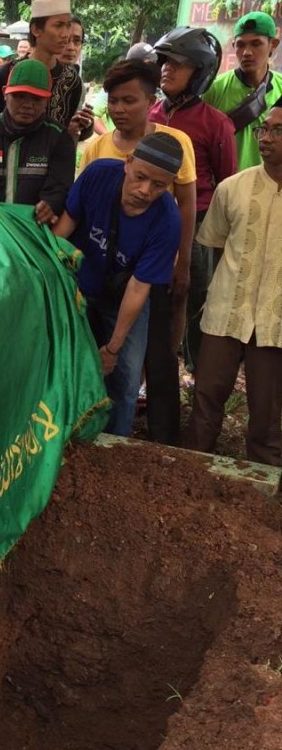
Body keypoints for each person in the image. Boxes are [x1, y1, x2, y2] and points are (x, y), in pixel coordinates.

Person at [79, 58, 197, 446]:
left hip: (141, 275)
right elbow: (73, 222)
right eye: (113, 101)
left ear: (151, 101)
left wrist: (182, 263)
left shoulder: (173, 147)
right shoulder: (97, 155)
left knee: (129, 368)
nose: (119, 109)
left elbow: (185, 204)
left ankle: (118, 443)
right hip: (91, 276)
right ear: (127, 166)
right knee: (80, 358)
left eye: (129, 100)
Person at [53, 133, 183, 436]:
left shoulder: (168, 220)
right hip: (80, 285)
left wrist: (113, 347)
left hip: (125, 297)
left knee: (124, 378)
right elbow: (62, 233)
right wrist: (57, 291)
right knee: (67, 359)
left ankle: (114, 443)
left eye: (159, 186)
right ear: (128, 163)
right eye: (140, 177)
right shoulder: (98, 175)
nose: (145, 191)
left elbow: (139, 288)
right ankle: (63, 432)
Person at [184, 102, 282, 466]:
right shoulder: (233, 188)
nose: (266, 138)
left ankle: (260, 493)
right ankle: (194, 472)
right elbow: (217, 241)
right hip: (227, 311)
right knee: (207, 397)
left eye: (277, 131)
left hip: (275, 322)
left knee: (267, 414)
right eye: (264, 130)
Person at [150, 27, 237, 375]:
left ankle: (200, 373)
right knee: (154, 296)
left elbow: (226, 184)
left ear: (199, 72)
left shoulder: (216, 124)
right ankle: (154, 369)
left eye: (178, 64)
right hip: (152, 219)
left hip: (197, 225)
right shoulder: (151, 113)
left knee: (196, 298)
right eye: (165, 62)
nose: (167, 69)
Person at [0, 59, 75, 225]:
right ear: (5, 93)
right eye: (19, 96)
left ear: (48, 100)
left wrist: (52, 203)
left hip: (33, 232)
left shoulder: (59, 138)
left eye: (37, 99)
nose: (27, 105)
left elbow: (60, 188)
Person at [0, 0, 93, 139]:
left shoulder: (72, 82)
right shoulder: (6, 73)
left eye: (67, 26)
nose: (66, 34)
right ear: (36, 30)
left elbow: (67, 135)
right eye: (58, 25)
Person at [203, 11, 282, 172]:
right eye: (240, 45)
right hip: (228, 187)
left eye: (256, 44)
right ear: (233, 46)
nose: (247, 52)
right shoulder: (214, 89)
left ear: (273, 44)